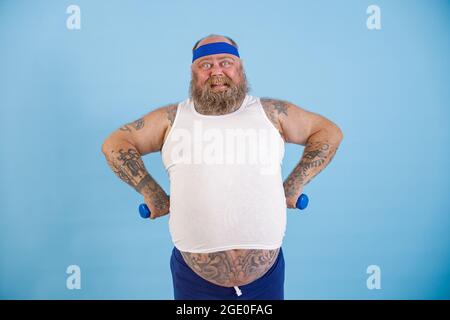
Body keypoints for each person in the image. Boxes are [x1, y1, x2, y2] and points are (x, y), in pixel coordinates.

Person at [101, 34, 343, 300]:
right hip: (195, 281)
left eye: (225, 62)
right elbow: (116, 143)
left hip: (265, 280)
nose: (216, 70)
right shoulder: (172, 119)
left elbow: (327, 132)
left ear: (240, 69)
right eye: (205, 64)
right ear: (193, 73)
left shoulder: (271, 113)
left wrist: (295, 184)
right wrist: (151, 191)